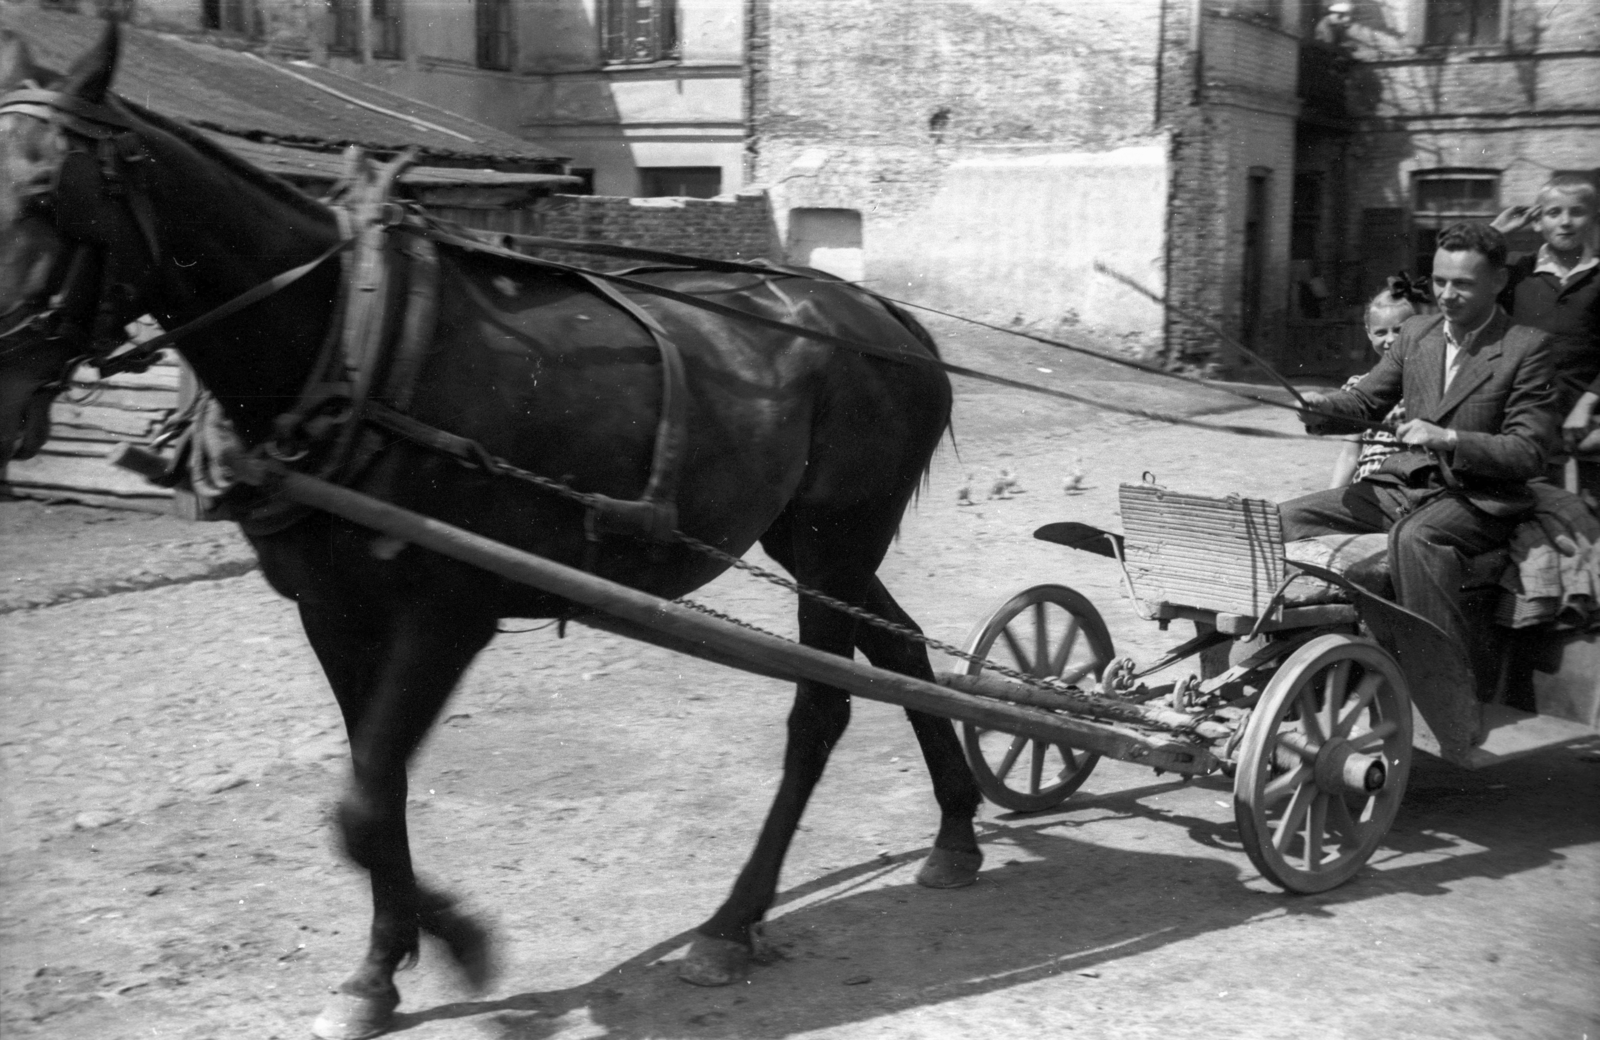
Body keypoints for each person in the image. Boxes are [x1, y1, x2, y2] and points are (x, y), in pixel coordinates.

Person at [1281, 222, 1560, 664]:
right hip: (1407, 487)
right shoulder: (1418, 334)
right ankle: (1298, 658)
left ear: (1499, 281)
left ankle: (1439, 687)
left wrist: (1448, 437)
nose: (1447, 294)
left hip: (1480, 499)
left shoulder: (1528, 348)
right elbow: (1365, 399)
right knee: (1289, 518)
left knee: (1415, 540)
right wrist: (1322, 408)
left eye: (1463, 284)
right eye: (1440, 281)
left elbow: (1529, 451)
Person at [1492, 172, 1600, 462]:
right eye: (1554, 213)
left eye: (1577, 212)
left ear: (1593, 218)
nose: (1565, 222)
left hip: (1586, 421)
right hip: (1523, 415)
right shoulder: (1517, 270)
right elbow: (1463, 278)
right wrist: (1496, 234)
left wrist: (1587, 405)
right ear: (1538, 221)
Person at [1326, 274, 1431, 488]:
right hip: (1367, 482)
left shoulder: (1429, 381)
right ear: (1369, 333)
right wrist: (1329, 497)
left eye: (1399, 331)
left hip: (1410, 481)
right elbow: (1349, 454)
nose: (1390, 340)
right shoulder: (1359, 386)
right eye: (1381, 332)